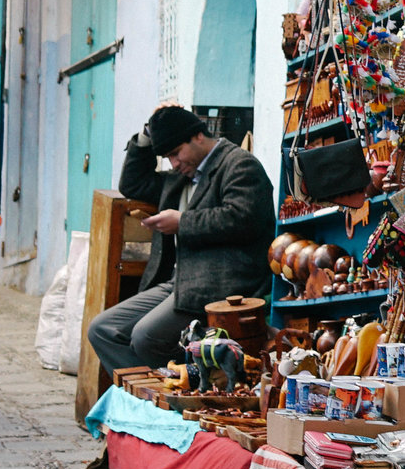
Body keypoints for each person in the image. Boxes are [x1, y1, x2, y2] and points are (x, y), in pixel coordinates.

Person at [86, 105, 275, 378]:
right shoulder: (181, 177)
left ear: (198, 136)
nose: (174, 163)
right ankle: (148, 396)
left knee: (145, 336)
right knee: (102, 329)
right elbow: (133, 185)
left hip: (221, 287)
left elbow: (243, 218)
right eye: (167, 156)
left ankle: (179, 384)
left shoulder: (239, 164)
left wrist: (182, 222)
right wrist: (147, 134)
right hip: (180, 283)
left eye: (176, 153)